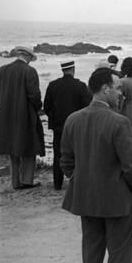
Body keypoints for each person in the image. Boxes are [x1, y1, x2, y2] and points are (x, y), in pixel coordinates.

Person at [60, 67, 132, 263]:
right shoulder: (119, 122)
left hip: (87, 199)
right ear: (105, 89)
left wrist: (83, 180)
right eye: (117, 88)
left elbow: (66, 162)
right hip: (118, 200)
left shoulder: (73, 120)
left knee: (91, 258)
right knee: (120, 258)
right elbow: (131, 166)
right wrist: (131, 188)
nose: (121, 93)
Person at [0, 46, 45, 190]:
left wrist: (4, 108)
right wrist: (35, 109)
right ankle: (27, 180)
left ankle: (15, 182)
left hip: (6, 116)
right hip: (25, 116)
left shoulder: (2, 70)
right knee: (29, 148)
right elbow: (34, 96)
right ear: (28, 57)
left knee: (13, 149)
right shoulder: (29, 71)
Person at [44, 60, 91, 190]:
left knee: (58, 154)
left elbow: (47, 106)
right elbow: (87, 106)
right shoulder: (80, 86)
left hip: (58, 127)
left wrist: (54, 119)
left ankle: (57, 183)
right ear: (73, 69)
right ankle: (76, 180)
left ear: (62, 70)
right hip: (77, 126)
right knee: (77, 153)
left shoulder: (53, 85)